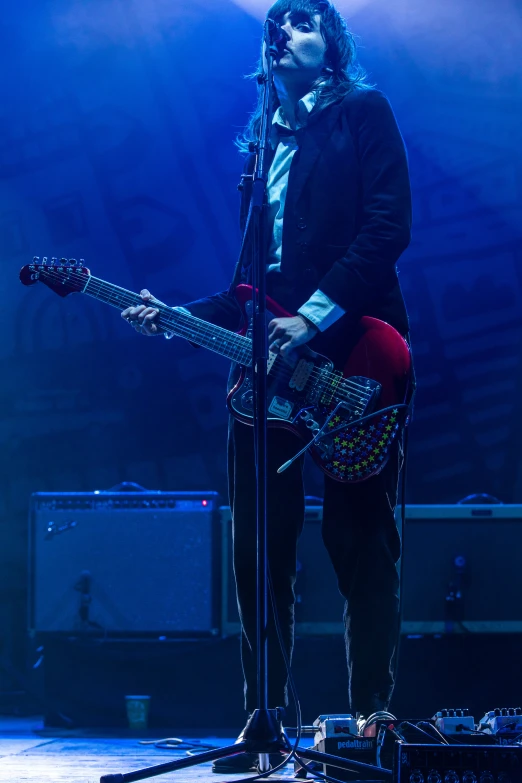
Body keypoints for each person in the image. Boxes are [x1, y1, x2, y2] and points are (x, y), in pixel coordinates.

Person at [122, 0, 412, 772]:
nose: (286, 30)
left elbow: (389, 227)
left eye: (306, 20)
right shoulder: (261, 150)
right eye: (275, 22)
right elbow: (250, 286)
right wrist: (176, 314)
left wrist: (312, 320)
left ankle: (371, 717)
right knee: (259, 547)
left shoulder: (363, 112)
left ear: (333, 44)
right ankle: (265, 717)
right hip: (268, 371)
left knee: (360, 542)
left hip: (354, 355)